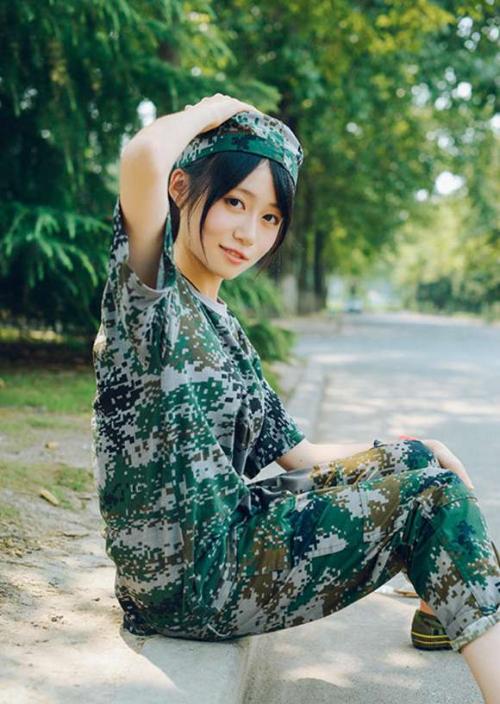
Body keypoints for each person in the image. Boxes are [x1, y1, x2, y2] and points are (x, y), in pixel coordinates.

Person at [91, 93, 500, 703]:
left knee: (420, 463)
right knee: (428, 500)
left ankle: (442, 608)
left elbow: (300, 456)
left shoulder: (225, 328)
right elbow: (144, 156)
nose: (248, 233)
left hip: (224, 539)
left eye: (270, 217)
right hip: (192, 579)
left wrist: (422, 449)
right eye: (234, 202)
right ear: (181, 189)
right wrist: (209, 110)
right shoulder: (150, 300)